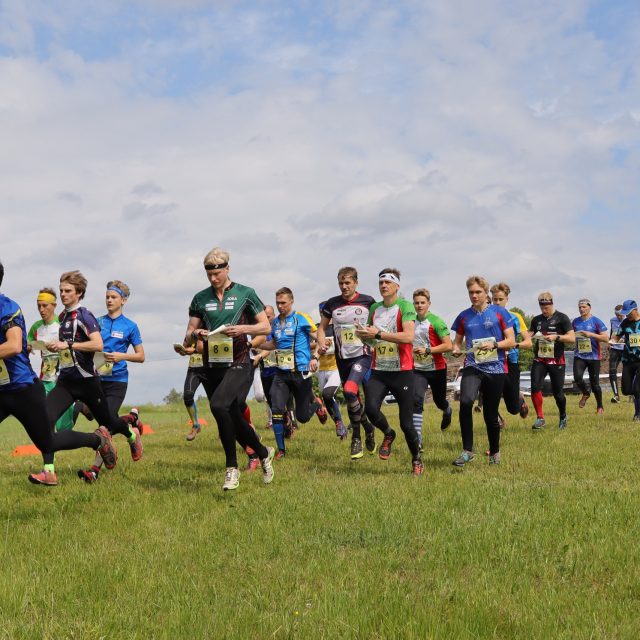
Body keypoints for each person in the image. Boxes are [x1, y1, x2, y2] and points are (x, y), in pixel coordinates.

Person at [29, 270, 139, 485]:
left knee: (109, 422)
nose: (63, 294)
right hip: (66, 382)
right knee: (45, 422)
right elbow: (66, 349)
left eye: (68, 291)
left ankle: (131, 435)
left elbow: (98, 344)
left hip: (88, 383)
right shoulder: (62, 317)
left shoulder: (85, 316)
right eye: (61, 290)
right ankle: (49, 471)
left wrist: (68, 345)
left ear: (79, 293)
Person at [183, 247, 275, 490]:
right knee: (230, 414)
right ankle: (264, 452)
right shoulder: (200, 299)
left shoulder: (246, 293)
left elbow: (265, 328)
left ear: (227, 269)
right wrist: (196, 333)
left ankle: (231, 468)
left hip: (241, 361)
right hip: (213, 363)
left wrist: (242, 329)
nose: (213, 279)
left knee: (218, 405)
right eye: (209, 275)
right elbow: (188, 337)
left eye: (218, 274)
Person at [354, 268, 424, 475]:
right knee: (371, 410)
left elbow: (409, 337)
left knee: (407, 424)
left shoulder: (405, 306)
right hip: (379, 369)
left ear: (396, 286)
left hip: (402, 371)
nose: (383, 285)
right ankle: (388, 433)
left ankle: (416, 459)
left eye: (387, 282)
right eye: (381, 282)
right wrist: (362, 335)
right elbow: (370, 337)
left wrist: (380, 334)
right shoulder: (375, 308)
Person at [77, 280, 145, 482]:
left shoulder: (130, 326)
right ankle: (131, 432)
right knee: (105, 426)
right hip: (97, 380)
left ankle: (94, 471)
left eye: (113, 297)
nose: (109, 300)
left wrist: (120, 356)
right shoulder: (97, 322)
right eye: (107, 296)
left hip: (118, 381)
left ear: (123, 300)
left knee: (105, 428)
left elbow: (141, 356)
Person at [451, 276, 516, 466]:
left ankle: (495, 452)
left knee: (490, 413)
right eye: (471, 292)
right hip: (473, 366)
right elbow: (456, 341)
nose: (474, 295)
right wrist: (455, 348)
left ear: (486, 293)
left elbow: (511, 341)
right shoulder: (464, 316)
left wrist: (494, 344)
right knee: (465, 402)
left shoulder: (499, 313)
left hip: (496, 369)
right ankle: (467, 451)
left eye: (478, 292)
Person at [257, 287, 327, 458]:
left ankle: (316, 404)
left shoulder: (301, 318)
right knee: (277, 409)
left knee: (302, 417)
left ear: (291, 301)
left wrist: (316, 356)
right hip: (281, 374)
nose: (280, 306)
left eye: (283, 303)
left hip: (300, 373)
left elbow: (318, 335)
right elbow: (274, 343)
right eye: (278, 303)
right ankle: (281, 450)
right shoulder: (274, 323)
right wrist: (253, 346)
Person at [317, 267, 376, 460]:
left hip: (363, 355)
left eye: (347, 283)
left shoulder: (368, 301)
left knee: (350, 391)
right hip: (343, 359)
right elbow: (321, 328)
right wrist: (321, 341)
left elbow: (377, 325)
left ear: (356, 283)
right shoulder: (332, 304)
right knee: (353, 398)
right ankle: (368, 427)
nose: (344, 287)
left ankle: (356, 439)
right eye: (341, 283)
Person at [27, 288, 75, 431]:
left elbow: (74, 348)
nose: (41, 309)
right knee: (45, 422)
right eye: (38, 306)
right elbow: (25, 347)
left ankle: (78, 407)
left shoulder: (62, 324)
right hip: (46, 379)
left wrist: (60, 347)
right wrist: (28, 348)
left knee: (63, 428)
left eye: (45, 305)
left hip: (63, 380)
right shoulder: (36, 327)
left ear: (54, 305)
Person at [525, 292, 575, 430]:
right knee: (535, 387)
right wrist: (525, 336)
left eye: (546, 306)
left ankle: (563, 415)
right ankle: (540, 418)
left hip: (557, 360)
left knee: (557, 392)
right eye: (541, 306)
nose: (544, 309)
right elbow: (529, 334)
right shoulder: (536, 320)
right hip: (540, 359)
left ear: (552, 303)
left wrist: (556, 337)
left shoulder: (562, 318)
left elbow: (571, 338)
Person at [411, 288, 453, 449]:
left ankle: (447, 409)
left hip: (437, 368)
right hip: (417, 369)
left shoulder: (436, 321)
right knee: (416, 400)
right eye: (416, 303)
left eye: (422, 302)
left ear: (429, 304)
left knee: (439, 400)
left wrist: (428, 350)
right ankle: (418, 439)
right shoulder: (410, 322)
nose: (419, 305)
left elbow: (448, 345)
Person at [489, 283, 531, 426]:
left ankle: (520, 399)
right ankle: (498, 421)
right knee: (488, 394)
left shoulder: (515, 317)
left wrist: (513, 345)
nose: (498, 303)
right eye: (495, 299)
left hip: (511, 362)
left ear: (507, 299)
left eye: (501, 299)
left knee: (513, 408)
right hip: (492, 362)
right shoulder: (485, 317)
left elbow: (528, 343)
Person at [572, 298, 608, 414]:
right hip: (580, 355)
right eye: (580, 307)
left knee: (595, 383)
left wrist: (590, 335)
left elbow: (605, 338)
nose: (581, 309)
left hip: (593, 356)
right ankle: (586, 393)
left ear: (589, 307)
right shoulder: (575, 322)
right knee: (577, 377)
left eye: (584, 307)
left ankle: (600, 406)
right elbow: (570, 336)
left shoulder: (596, 321)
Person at [317, 302, 347, 440]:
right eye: (322, 312)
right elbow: (311, 344)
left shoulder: (338, 328)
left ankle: (340, 423)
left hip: (335, 368)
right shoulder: (319, 329)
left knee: (328, 395)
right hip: (321, 370)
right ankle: (338, 423)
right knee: (326, 398)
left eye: (326, 312)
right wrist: (317, 345)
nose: (324, 315)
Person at [611, 299, 640, 421]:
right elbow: (616, 336)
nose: (627, 315)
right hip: (628, 360)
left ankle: (638, 414)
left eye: (629, 312)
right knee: (627, 390)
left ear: (636, 310)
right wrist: (613, 341)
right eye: (625, 313)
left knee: (637, 388)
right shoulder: (624, 323)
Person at [609, 305, 625, 403]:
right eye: (617, 315)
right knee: (612, 371)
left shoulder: (628, 320)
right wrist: (610, 342)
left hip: (626, 348)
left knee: (629, 371)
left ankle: (633, 393)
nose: (619, 317)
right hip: (615, 348)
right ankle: (616, 395)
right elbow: (612, 332)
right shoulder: (612, 320)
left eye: (620, 315)